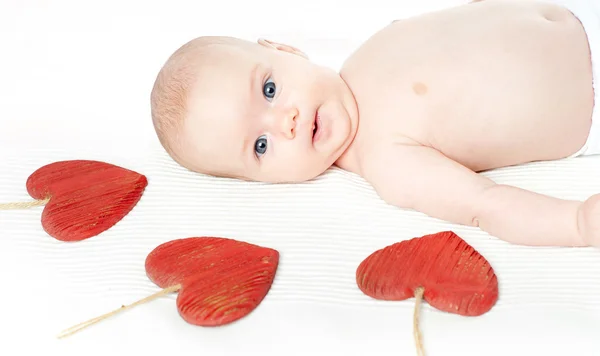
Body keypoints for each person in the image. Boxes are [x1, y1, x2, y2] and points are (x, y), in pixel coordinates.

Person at [149, 0, 600, 247]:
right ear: (262, 183)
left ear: (284, 50)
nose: (284, 122)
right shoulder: (388, 161)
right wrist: (577, 223)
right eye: (260, 146)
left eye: (269, 90)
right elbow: (487, 203)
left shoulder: (368, 46)